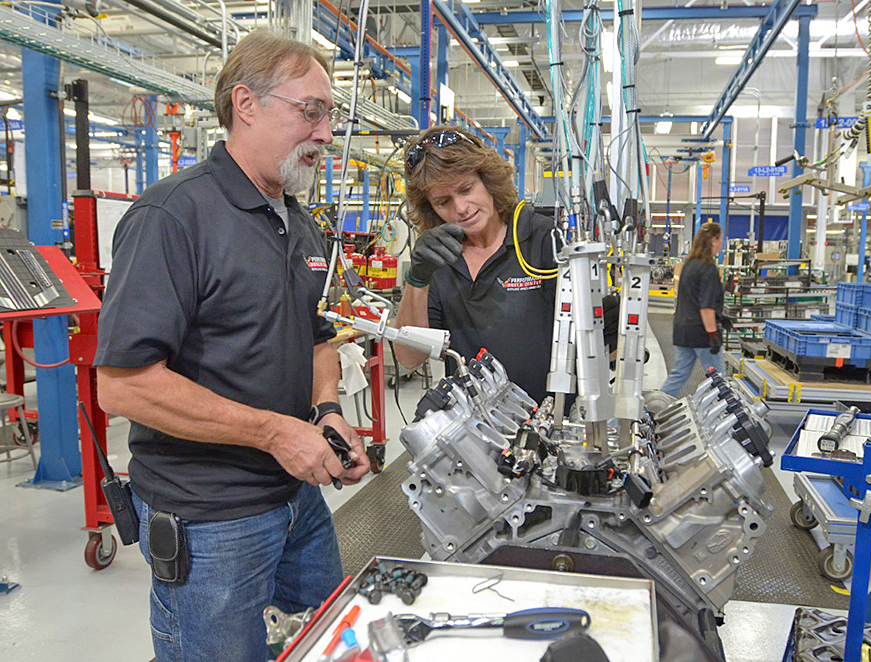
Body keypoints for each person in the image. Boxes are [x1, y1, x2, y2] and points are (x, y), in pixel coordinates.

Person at [94, 30, 370, 662]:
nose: (326, 134)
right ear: (246, 104)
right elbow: (124, 383)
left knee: (331, 646)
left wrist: (325, 413)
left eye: (330, 116)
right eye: (312, 111)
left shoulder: (297, 221)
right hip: (211, 521)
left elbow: (318, 335)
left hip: (298, 501)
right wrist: (275, 432)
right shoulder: (172, 216)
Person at [392, 126, 566, 403]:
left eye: (466, 189)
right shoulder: (438, 257)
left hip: (545, 424)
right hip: (472, 432)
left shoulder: (540, 238)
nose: (461, 208)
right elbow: (409, 358)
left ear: (488, 181)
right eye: (443, 201)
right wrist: (418, 278)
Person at [659, 222, 729, 397]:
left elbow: (691, 299)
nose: (722, 243)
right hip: (702, 333)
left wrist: (720, 318)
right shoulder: (708, 267)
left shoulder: (690, 264)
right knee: (718, 379)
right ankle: (725, 415)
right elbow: (706, 306)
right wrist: (713, 334)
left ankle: (654, 408)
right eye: (721, 239)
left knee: (679, 375)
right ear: (714, 240)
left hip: (683, 329)